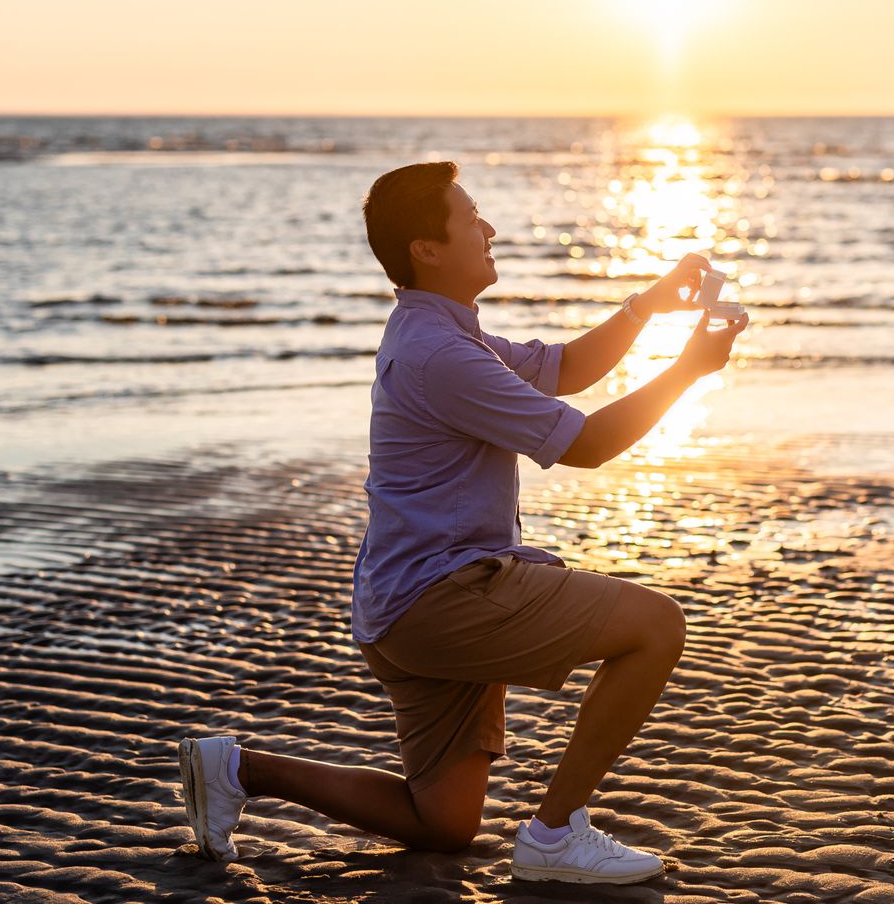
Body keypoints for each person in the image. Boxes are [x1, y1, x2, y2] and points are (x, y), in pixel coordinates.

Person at [177, 159, 747, 885]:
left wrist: (646, 307)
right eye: (471, 217)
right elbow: (591, 445)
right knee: (657, 625)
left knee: (441, 823)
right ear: (427, 248)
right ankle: (554, 835)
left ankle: (235, 767)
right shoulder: (442, 355)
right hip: (444, 599)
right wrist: (690, 369)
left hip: (403, 607)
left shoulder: (439, 335)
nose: (490, 229)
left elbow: (567, 368)